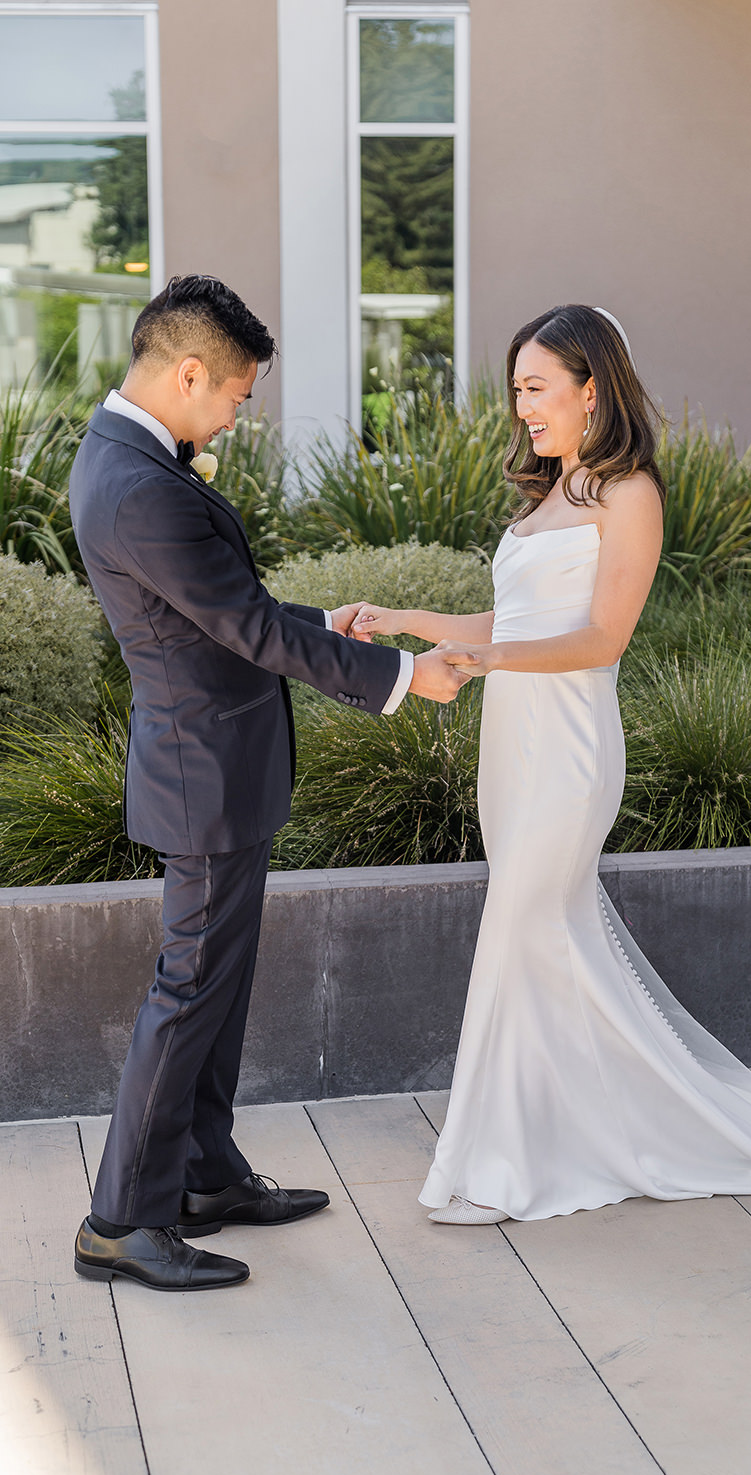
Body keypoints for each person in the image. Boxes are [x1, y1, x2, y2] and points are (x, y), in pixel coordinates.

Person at [354, 303, 751, 1225]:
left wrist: (493, 660)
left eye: (538, 388)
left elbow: (601, 637)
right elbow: (512, 628)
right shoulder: (548, 495)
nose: (523, 407)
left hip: (570, 754)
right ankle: (556, 1133)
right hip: (514, 748)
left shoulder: (631, 494)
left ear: (592, 387)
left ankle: (492, 1159)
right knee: (543, 943)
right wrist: (407, 623)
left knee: (519, 931)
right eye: (518, 391)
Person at [69, 274, 472, 1288]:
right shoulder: (141, 483)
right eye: (238, 395)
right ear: (191, 371)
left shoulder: (132, 460)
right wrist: (400, 676)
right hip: (202, 775)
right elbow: (238, 627)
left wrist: (315, 625)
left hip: (214, 766)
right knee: (187, 990)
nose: (239, 415)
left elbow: (226, 606)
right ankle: (122, 1220)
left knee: (213, 991)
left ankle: (204, 1176)